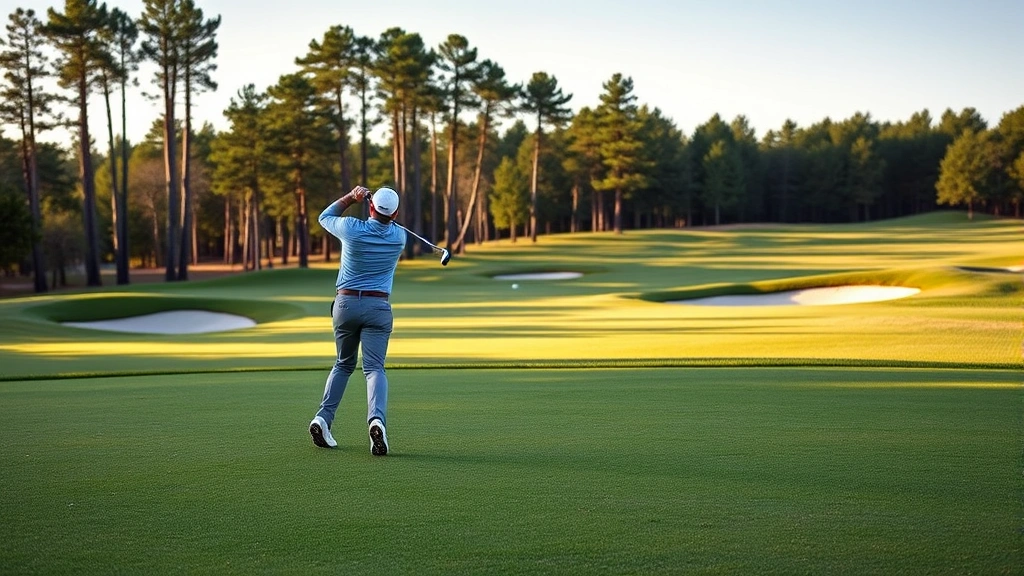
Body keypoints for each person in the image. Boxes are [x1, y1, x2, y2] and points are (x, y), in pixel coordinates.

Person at [309, 185, 406, 455]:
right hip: (378, 307)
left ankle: (322, 419)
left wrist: (352, 198)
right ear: (395, 213)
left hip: (345, 304)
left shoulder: (351, 227)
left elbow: (324, 217)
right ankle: (376, 420)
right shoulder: (399, 237)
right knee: (374, 368)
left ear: (371, 207)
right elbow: (387, 221)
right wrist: (381, 210)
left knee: (343, 364)